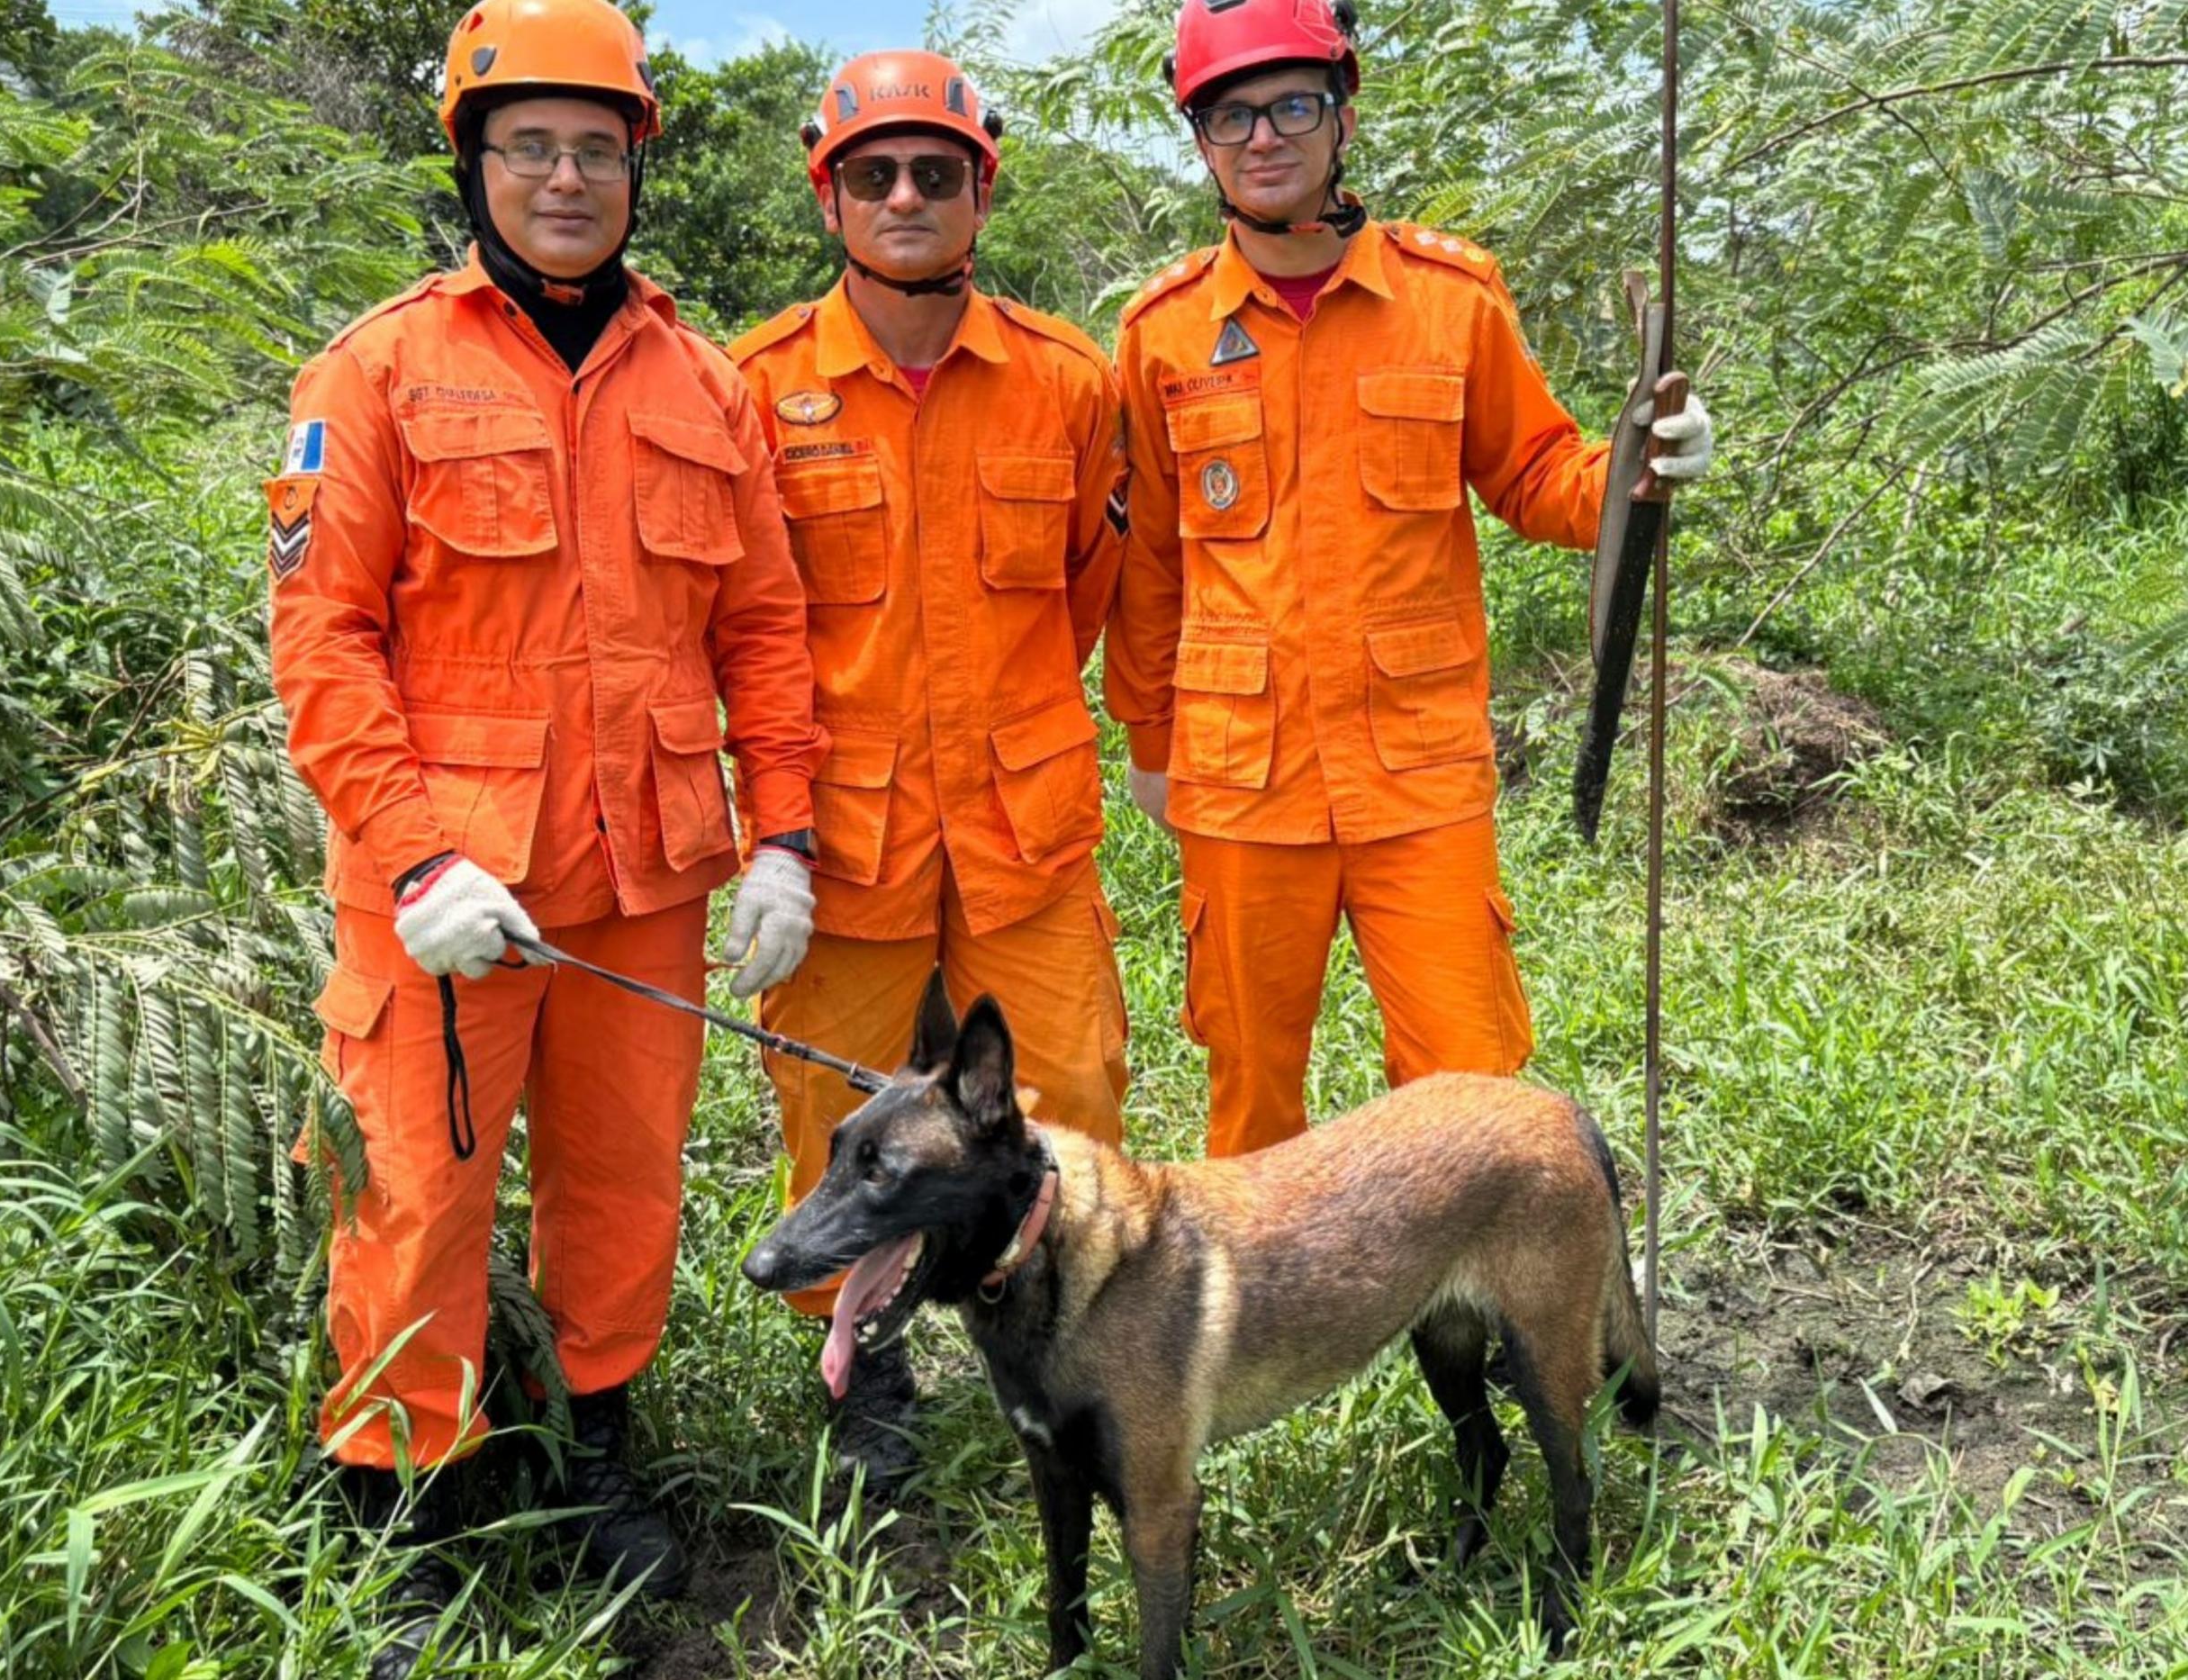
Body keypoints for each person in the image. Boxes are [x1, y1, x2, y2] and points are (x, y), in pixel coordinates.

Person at [266, 0, 827, 1664]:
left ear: (638, 165)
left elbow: (764, 629)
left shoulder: (705, 383)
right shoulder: (375, 370)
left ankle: (594, 1454)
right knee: (414, 1195)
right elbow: (323, 641)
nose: (566, 178)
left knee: (624, 1180)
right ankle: (398, 1507)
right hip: (445, 888)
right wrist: (413, 855)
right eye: (531, 147)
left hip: (646, 866)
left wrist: (783, 836)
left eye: (597, 147)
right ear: (475, 164)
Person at [1107, 0, 1716, 1159]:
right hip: (1241, 779)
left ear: (1342, 115)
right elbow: (1149, 565)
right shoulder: (1162, 334)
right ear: (1201, 142)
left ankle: (1463, 1286)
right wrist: (1147, 739)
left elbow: (1536, 474)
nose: (1263, 137)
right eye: (1231, 116)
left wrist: (1639, 461)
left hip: (1418, 770)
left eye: (1292, 105)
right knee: (1250, 1090)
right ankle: (1258, 1286)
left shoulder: (1451, 298)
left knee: (1467, 1093)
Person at [726, 50, 1129, 1486]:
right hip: (841, 842)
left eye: (937, 173)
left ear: (981, 193)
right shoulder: (756, 386)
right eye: (875, 173)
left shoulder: (1066, 381)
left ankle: (1074, 1349)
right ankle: (867, 1372)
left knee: (1068, 1097)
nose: (907, 196)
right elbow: (743, 624)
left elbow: (1087, 592)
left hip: (1024, 831)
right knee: (832, 1115)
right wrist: (773, 835)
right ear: (828, 194)